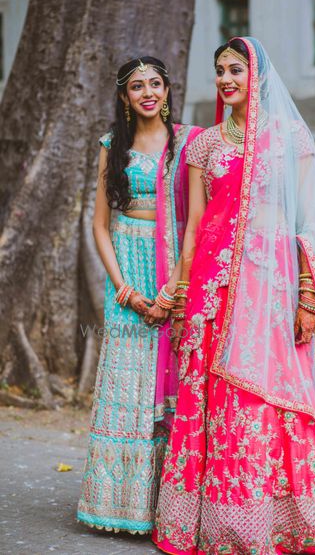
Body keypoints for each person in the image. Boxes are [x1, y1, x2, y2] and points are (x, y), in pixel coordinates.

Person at [153, 38, 315, 555]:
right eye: (219, 70)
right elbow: (194, 227)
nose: (226, 79)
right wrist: (182, 295)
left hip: (273, 287)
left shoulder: (289, 137)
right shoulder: (204, 145)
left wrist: (308, 297)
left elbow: (309, 223)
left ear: (258, 76)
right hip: (214, 290)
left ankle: (285, 520)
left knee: (273, 393)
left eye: (236, 69)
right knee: (217, 399)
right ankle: (227, 524)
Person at [77, 56, 201, 534]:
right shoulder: (113, 146)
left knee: (171, 384)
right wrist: (124, 290)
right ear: (125, 98)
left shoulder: (189, 142)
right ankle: (123, 506)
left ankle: (170, 509)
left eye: (155, 83)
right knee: (129, 384)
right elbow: (99, 225)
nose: (147, 92)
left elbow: (197, 219)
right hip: (127, 268)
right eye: (136, 87)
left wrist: (173, 290)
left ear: (168, 89)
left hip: (173, 269)